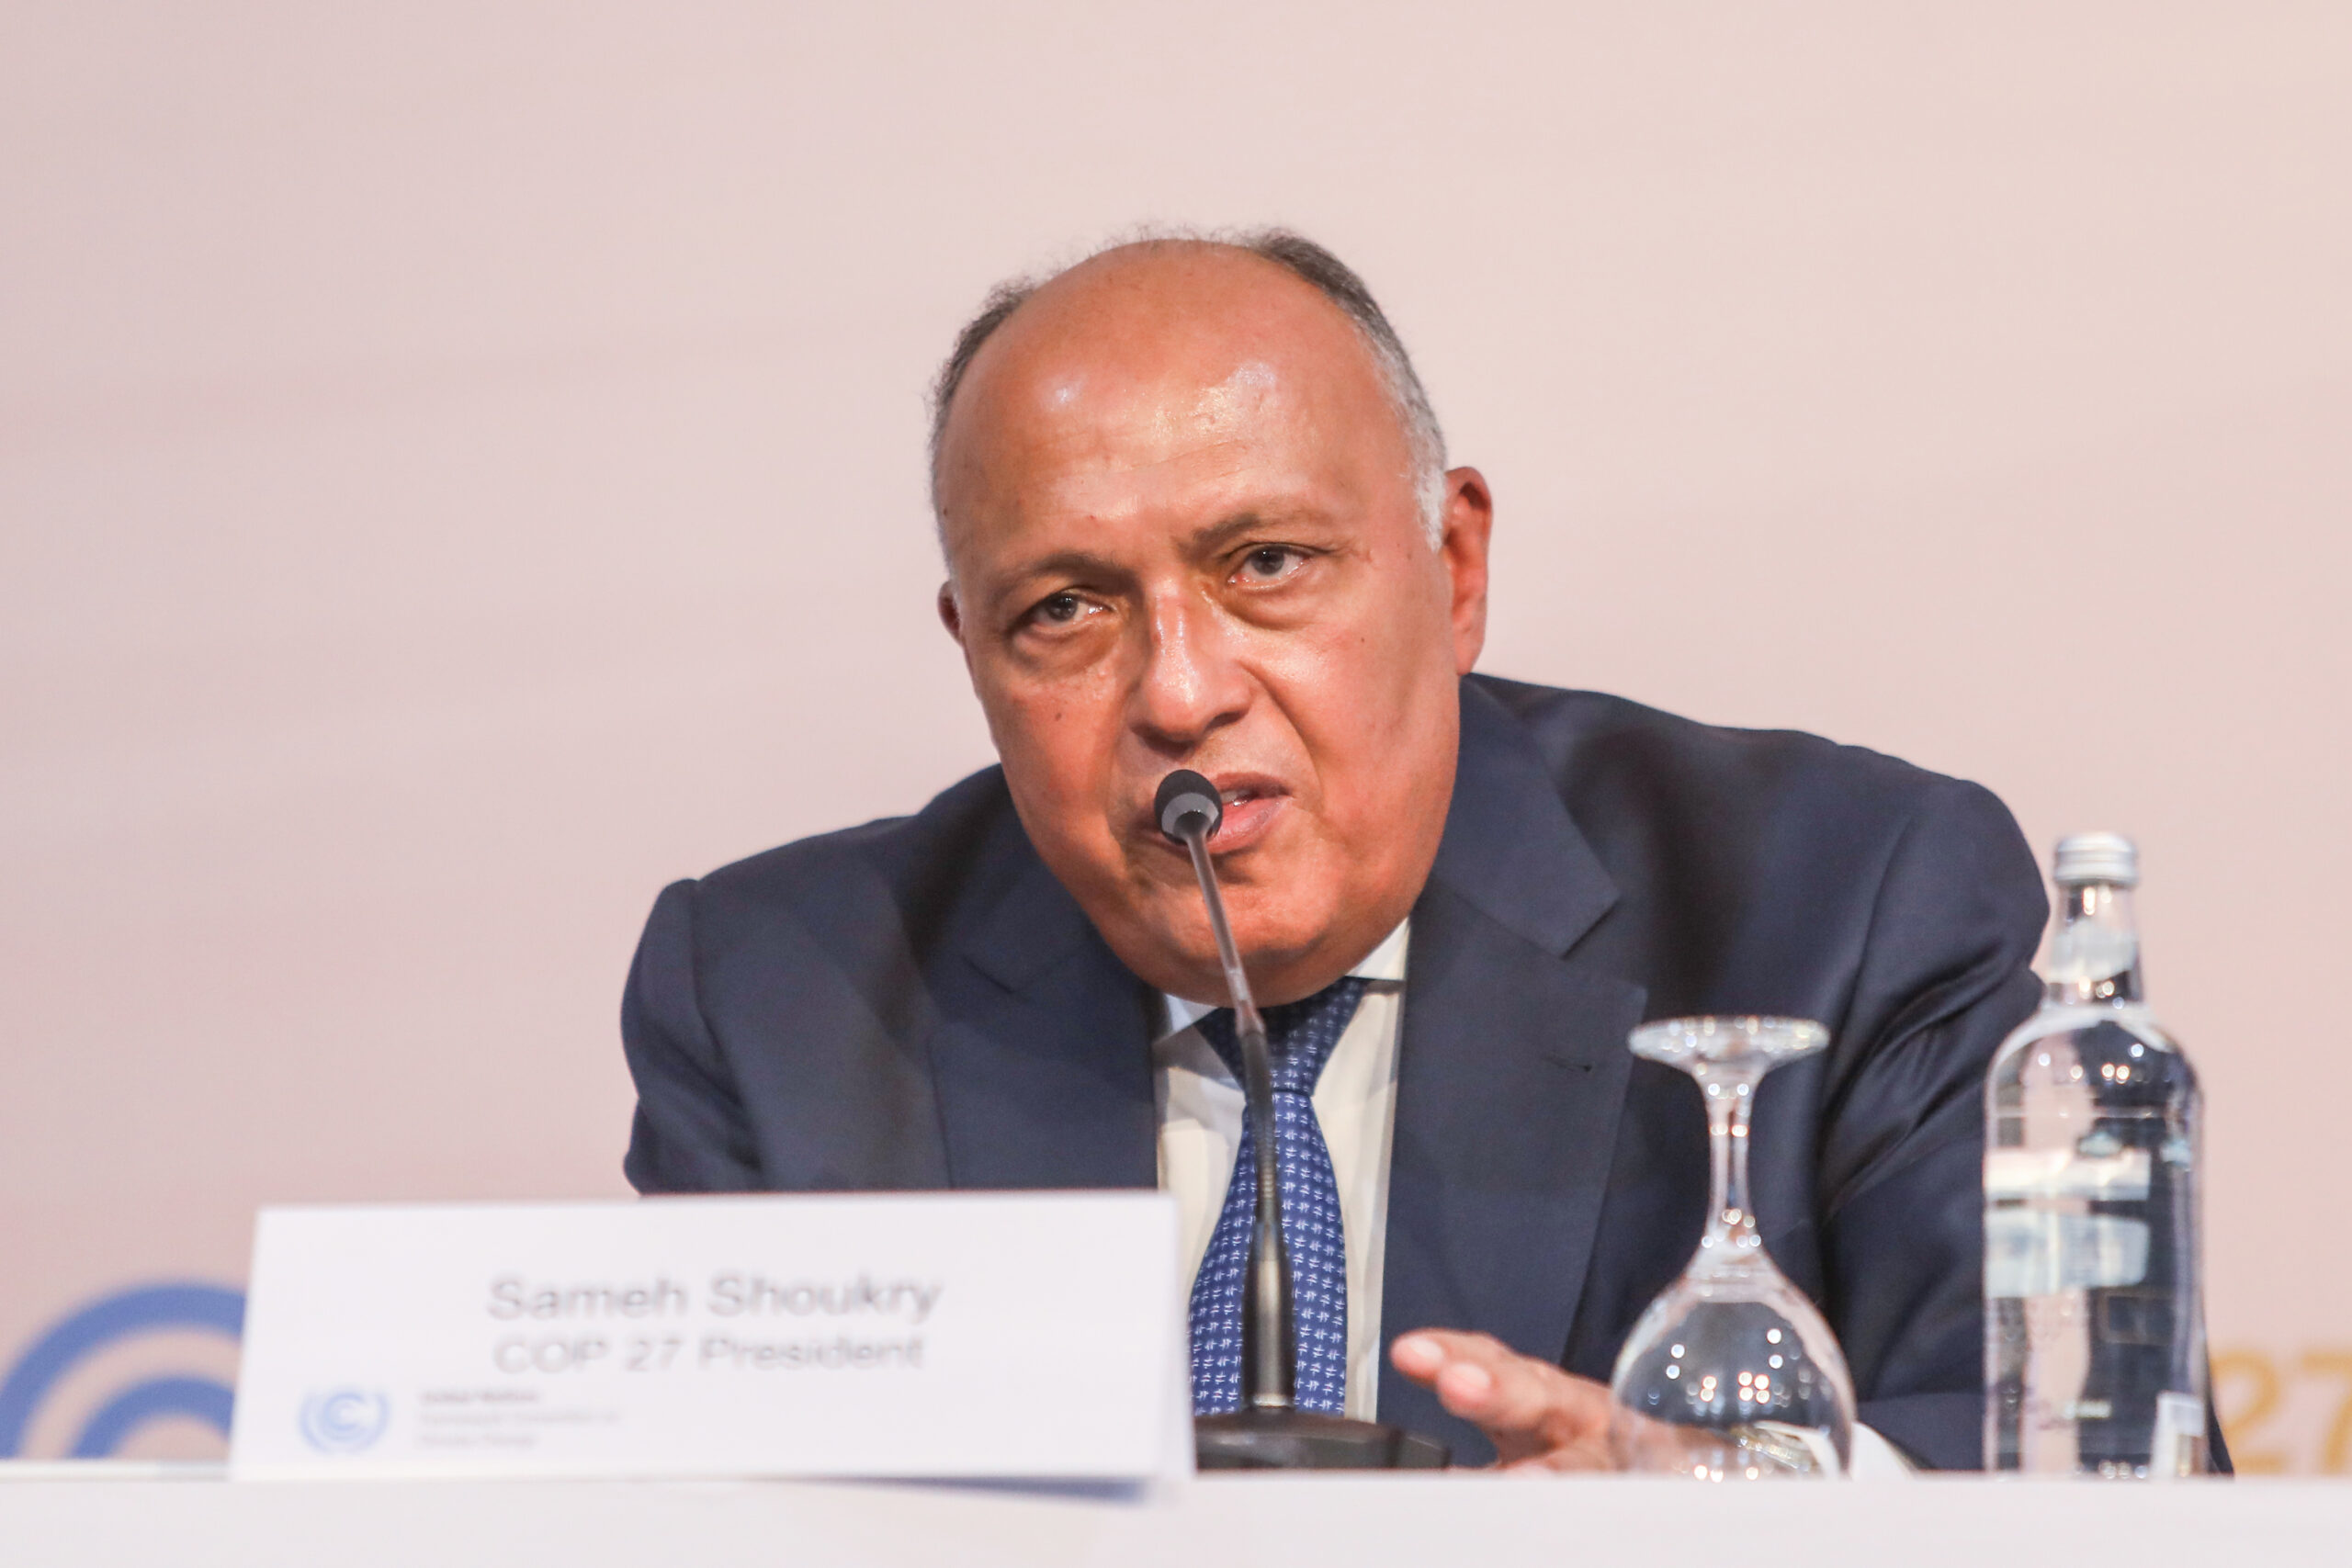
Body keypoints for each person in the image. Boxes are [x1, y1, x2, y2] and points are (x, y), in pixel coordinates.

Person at [620, 230, 2050, 1471]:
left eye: (1266, 565)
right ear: (973, 652)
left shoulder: (1840, 905)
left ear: (1453, 567)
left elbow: (2088, 1471)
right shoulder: (778, 1003)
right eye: (1064, 608)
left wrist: (1728, 1509)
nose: (1179, 691)